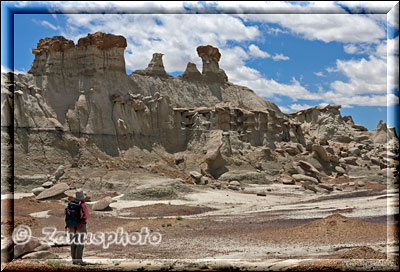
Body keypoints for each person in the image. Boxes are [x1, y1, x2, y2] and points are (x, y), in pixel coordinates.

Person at [67, 189, 90, 266]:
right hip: (80, 225)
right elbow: (86, 216)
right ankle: (79, 260)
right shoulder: (83, 205)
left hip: (71, 226)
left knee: (73, 242)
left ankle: (74, 260)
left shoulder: (70, 204)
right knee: (80, 243)